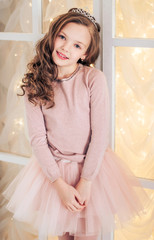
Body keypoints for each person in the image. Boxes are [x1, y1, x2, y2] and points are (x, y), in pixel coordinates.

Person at [3, 8, 150, 240]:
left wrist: (86, 181)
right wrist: (59, 185)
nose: (65, 48)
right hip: (54, 173)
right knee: (64, 235)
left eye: (77, 45)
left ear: (85, 53)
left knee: (85, 236)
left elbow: (100, 135)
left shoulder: (93, 79)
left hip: (91, 171)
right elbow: (38, 140)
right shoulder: (36, 82)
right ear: (53, 36)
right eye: (62, 37)